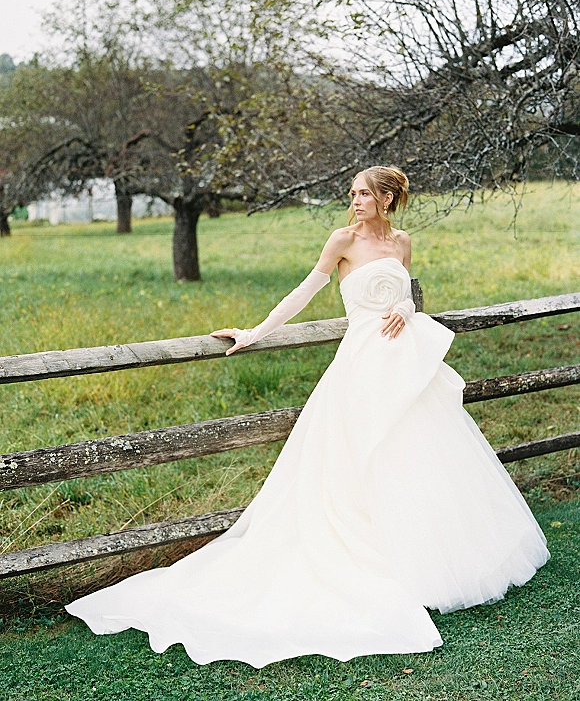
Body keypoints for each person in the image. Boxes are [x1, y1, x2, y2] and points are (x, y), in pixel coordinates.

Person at [66, 166, 549, 668]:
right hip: (361, 366)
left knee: (420, 458)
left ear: (387, 198)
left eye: (364, 193)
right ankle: (368, 557)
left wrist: (406, 311)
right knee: (359, 459)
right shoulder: (342, 239)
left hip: (406, 365)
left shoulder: (402, 242)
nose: (355, 199)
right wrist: (256, 331)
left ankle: (429, 563)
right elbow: (306, 291)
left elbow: (404, 295)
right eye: (353, 192)